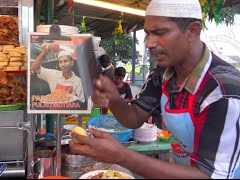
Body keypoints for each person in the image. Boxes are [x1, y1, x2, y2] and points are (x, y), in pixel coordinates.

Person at [69, 0, 240, 178]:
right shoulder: (164, 72)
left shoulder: (222, 91)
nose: (149, 43)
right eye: (148, 34)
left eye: (160, 33)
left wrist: (121, 155)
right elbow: (134, 117)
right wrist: (113, 98)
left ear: (192, 31)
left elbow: (209, 175)